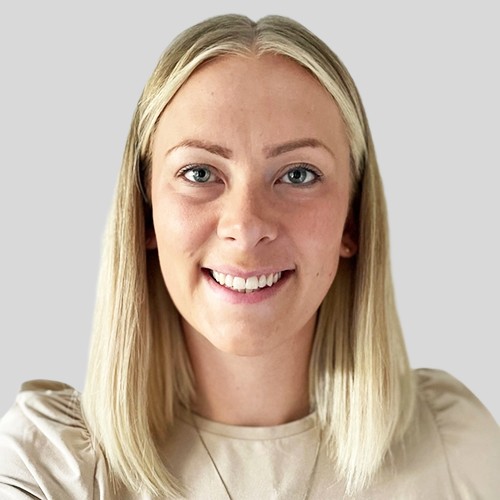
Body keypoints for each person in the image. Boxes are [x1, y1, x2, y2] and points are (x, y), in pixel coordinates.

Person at [0, 13, 499, 500]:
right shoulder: (51, 467)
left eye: (298, 174)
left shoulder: (456, 450)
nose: (245, 225)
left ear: (352, 220)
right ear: (146, 213)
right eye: (199, 173)